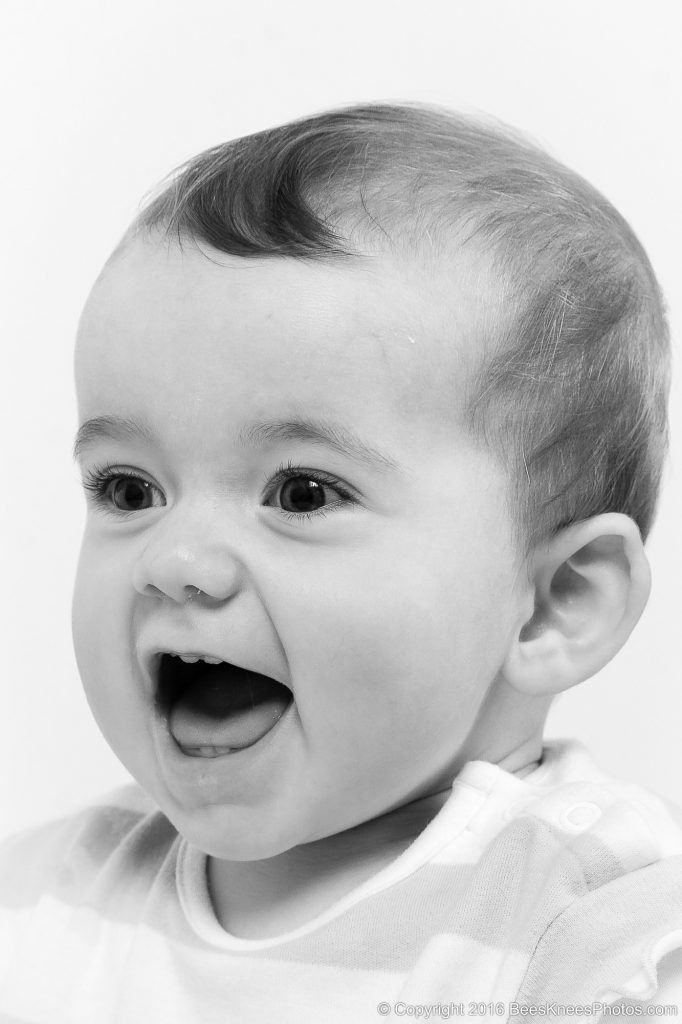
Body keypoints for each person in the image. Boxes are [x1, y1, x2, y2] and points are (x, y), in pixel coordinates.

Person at [2, 100, 681, 1022]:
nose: (175, 560)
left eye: (302, 494)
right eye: (128, 489)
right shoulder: (45, 903)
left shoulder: (595, 931)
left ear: (554, 603)